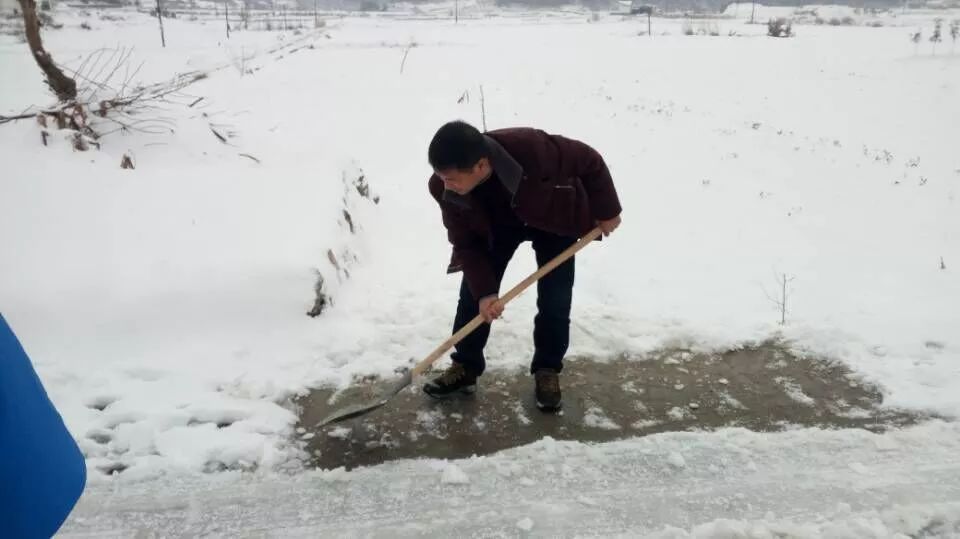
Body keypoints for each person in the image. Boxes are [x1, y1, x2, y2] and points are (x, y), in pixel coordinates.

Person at [424, 121, 622, 411]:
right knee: (473, 294)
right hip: (496, 228)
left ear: (481, 165)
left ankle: (547, 370)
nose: (445, 184)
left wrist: (608, 210)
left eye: (451, 178)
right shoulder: (443, 187)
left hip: (553, 217)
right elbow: (466, 244)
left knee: (555, 298)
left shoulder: (532, 150)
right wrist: (486, 293)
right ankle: (465, 366)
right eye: (441, 176)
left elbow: (590, 161)